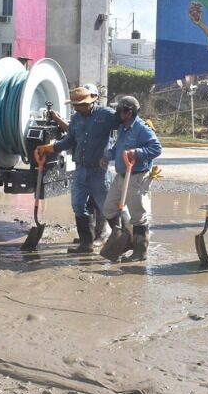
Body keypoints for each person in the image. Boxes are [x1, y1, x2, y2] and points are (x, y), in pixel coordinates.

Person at [37, 86, 116, 254]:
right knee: (78, 205)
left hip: (99, 172)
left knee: (106, 207)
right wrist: (49, 148)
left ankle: (122, 238)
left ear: (89, 103)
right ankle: (86, 244)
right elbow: (69, 141)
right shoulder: (76, 120)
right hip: (81, 170)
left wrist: (117, 151)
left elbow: (126, 124)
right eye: (74, 105)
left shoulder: (106, 115)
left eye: (79, 105)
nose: (76, 108)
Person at [101, 96, 162, 262]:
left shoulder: (142, 129)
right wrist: (108, 155)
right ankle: (125, 237)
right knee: (108, 208)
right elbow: (117, 147)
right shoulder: (122, 127)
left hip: (137, 176)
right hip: (121, 175)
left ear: (128, 113)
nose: (116, 114)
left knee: (139, 215)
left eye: (119, 110)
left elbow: (156, 148)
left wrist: (137, 153)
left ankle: (140, 252)